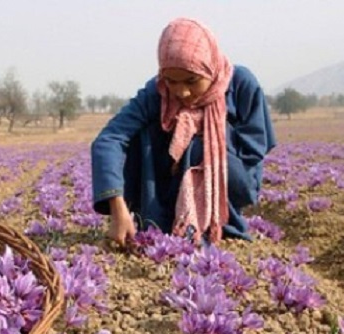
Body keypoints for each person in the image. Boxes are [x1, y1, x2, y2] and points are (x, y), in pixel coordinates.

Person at [91, 17, 276, 246]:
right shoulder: (156, 91)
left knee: (197, 141)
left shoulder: (240, 84)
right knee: (142, 132)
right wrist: (117, 206)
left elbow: (253, 150)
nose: (182, 92)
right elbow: (109, 139)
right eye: (171, 81)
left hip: (232, 180)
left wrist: (203, 133)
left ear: (209, 67)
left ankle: (213, 223)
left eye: (192, 80)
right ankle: (157, 218)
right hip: (169, 185)